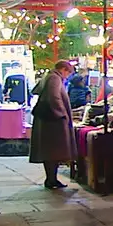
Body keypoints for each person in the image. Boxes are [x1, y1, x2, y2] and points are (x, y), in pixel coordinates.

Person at [29, 60, 75, 190]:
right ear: (63, 69)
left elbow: (36, 91)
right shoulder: (55, 78)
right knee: (54, 151)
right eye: (68, 73)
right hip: (53, 121)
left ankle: (51, 178)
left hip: (46, 120)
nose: (67, 76)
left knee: (49, 151)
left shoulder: (47, 77)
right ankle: (51, 179)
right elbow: (54, 97)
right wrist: (62, 114)